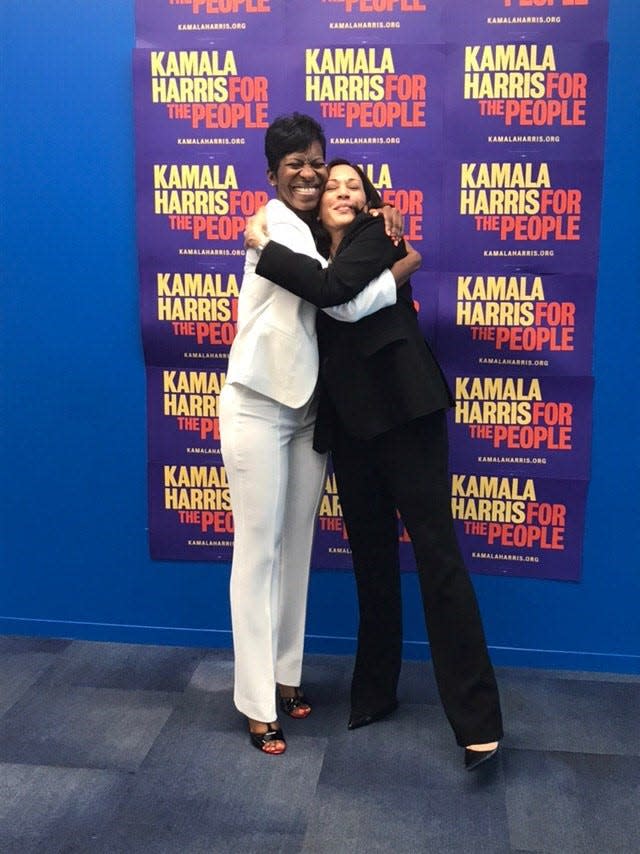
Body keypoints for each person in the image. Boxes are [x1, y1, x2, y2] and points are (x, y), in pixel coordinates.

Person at [246, 159, 503, 770]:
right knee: (372, 564)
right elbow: (326, 298)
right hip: (351, 427)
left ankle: (478, 722)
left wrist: (261, 247)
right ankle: (374, 694)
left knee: (437, 557)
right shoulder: (309, 244)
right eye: (328, 186)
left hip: (406, 414)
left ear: (369, 202)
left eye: (351, 186)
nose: (337, 190)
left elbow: (338, 299)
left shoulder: (376, 236)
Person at [219, 115, 417, 755]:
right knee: (258, 553)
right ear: (272, 174)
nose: (308, 174)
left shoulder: (326, 229)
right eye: (294, 164)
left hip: (308, 410)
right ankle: (255, 701)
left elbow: (348, 242)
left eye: (316, 162)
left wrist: (382, 217)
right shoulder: (273, 223)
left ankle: (284, 677)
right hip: (256, 403)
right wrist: (403, 256)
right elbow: (337, 295)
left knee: (296, 549)